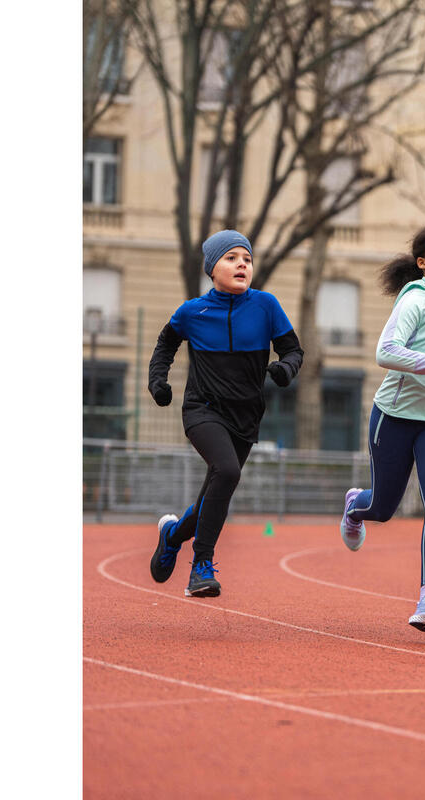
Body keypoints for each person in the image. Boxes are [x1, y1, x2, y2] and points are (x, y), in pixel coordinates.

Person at [340, 225, 425, 631]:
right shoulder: (414, 300)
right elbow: (386, 352)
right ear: (423, 262)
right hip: (396, 415)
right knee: (383, 508)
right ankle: (355, 505)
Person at [147, 230, 303, 597]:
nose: (242, 265)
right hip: (202, 409)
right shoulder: (192, 312)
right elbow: (164, 345)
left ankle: (173, 535)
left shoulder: (266, 306)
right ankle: (201, 565)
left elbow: (294, 351)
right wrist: (158, 382)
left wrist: (285, 369)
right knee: (227, 471)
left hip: (246, 416)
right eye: (232, 258)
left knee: (216, 489)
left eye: (247, 259)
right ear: (211, 269)